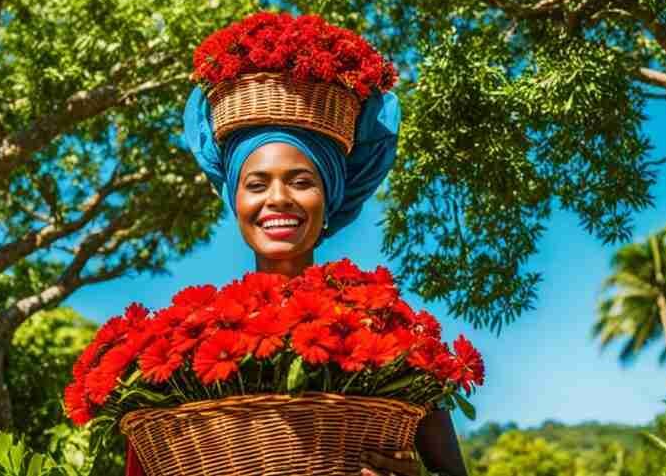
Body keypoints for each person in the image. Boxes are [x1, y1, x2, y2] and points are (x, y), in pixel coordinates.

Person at [182, 84, 471, 476]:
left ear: (329, 197)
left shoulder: (388, 330)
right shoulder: (194, 337)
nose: (278, 198)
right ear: (236, 201)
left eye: (301, 182)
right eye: (257, 184)